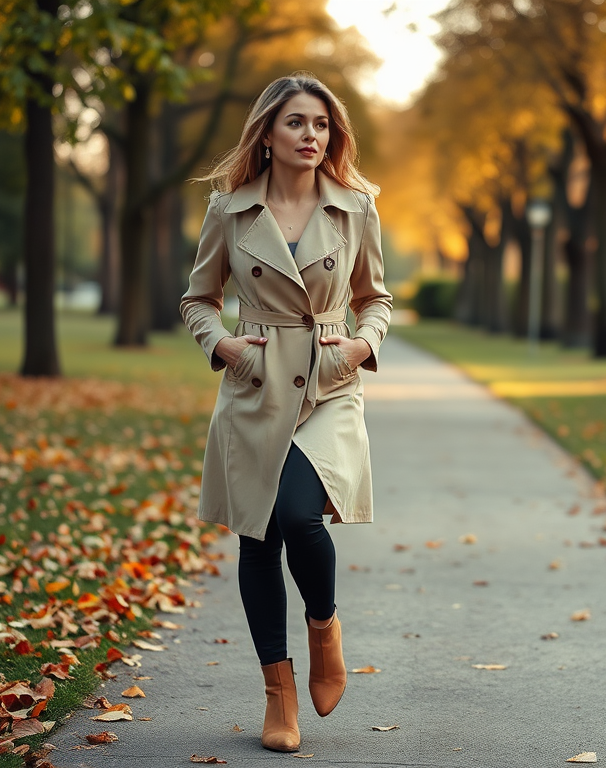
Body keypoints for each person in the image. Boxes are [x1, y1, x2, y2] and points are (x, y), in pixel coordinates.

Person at [181, 71, 392, 753]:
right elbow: (197, 299)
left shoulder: (356, 207)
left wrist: (361, 345)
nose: (311, 135)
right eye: (297, 122)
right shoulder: (229, 210)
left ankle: (324, 628)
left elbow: (376, 298)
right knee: (257, 538)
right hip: (255, 386)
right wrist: (225, 348)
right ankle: (280, 695)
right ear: (267, 133)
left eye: (322, 124)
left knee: (301, 515)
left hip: (329, 387)